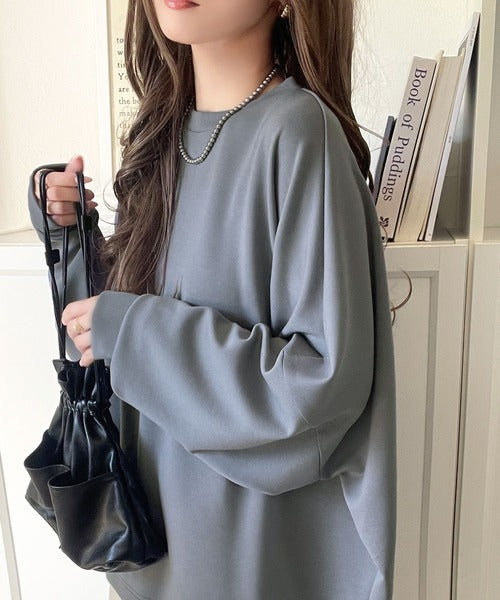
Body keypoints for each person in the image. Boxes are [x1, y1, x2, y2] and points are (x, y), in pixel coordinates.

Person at [27, 0, 397, 598]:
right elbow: (111, 339)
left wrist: (135, 331)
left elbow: (319, 389)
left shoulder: (300, 134)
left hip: (246, 564)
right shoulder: (165, 137)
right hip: (153, 552)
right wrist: (72, 239)